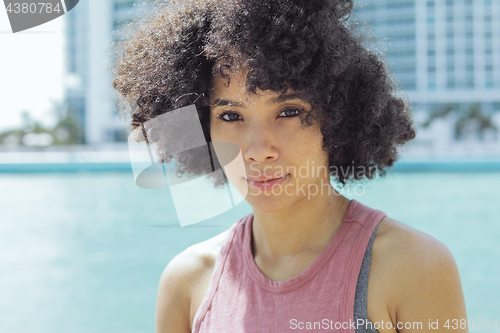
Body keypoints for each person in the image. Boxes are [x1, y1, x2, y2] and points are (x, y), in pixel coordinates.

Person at [112, 0, 468, 332]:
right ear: (204, 129)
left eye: (289, 112)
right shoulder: (187, 281)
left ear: (337, 116)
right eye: (231, 115)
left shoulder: (414, 267)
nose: (258, 150)